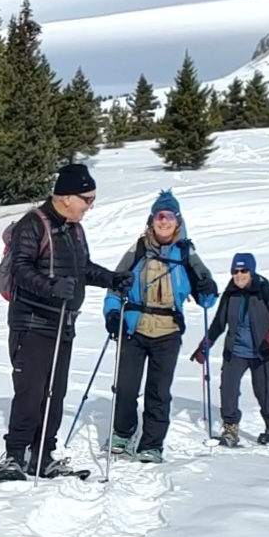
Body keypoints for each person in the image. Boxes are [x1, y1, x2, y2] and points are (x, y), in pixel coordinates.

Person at [0, 163, 128, 482]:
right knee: (30, 391)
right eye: (87, 199)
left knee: (56, 393)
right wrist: (50, 287)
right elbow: (21, 269)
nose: (90, 205)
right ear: (66, 197)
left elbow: (82, 268)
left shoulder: (74, 229)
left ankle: (42, 456)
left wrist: (112, 279)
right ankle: (13, 456)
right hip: (32, 323)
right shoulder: (32, 224)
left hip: (64, 324)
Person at [103, 190, 218, 464]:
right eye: (159, 215)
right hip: (134, 328)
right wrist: (112, 313)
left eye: (169, 216)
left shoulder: (187, 253)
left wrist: (207, 288)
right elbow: (115, 284)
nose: (164, 221)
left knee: (158, 391)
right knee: (126, 386)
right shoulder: (138, 249)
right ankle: (123, 432)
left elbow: (206, 299)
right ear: (151, 219)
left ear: (177, 221)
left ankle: (151, 444)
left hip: (168, 331)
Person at [191, 252, 269, 446]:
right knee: (228, 388)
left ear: (251, 271)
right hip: (235, 351)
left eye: (243, 270)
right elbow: (218, 324)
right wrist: (205, 345)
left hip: (263, 351)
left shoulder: (267, 293)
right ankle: (230, 429)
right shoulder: (230, 295)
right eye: (235, 271)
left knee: (263, 392)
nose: (239, 275)